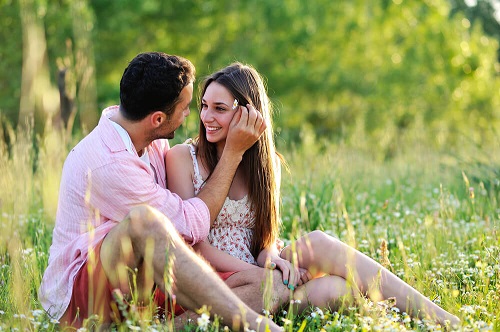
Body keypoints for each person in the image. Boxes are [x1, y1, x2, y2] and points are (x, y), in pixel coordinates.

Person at [165, 62, 461, 327]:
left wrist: (272, 260)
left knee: (334, 281)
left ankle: (437, 318)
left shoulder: (267, 167)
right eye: (204, 106)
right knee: (330, 290)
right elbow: (193, 246)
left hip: (261, 270)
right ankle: (278, 302)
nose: (206, 117)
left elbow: (265, 237)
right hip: (218, 279)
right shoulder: (182, 158)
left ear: (248, 114)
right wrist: (263, 275)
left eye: (219, 108)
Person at [38, 52, 286, 331]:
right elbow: (191, 226)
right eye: (186, 107)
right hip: (83, 299)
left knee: (268, 286)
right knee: (144, 221)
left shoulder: (148, 138)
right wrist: (232, 154)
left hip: (144, 282)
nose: (192, 116)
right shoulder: (109, 162)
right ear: (157, 119)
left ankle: (165, 327)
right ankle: (256, 325)